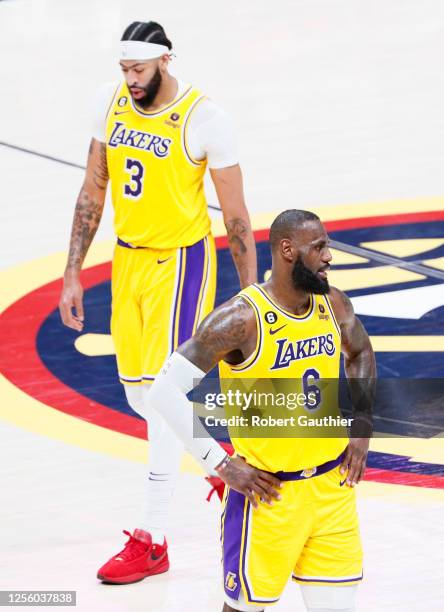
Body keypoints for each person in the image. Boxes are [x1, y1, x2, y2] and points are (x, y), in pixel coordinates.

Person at [58, 20, 257, 584]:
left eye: (138, 69)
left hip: (181, 262)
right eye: (123, 70)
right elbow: (94, 186)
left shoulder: (205, 118)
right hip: (129, 259)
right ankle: (214, 462)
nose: (130, 79)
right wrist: (73, 268)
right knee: (140, 395)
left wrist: (251, 299)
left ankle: (156, 535)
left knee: (164, 391)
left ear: (165, 61)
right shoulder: (111, 102)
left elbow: (237, 215)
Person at [149, 209, 376, 612]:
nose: (329, 257)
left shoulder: (333, 304)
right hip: (268, 498)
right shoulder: (240, 319)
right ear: (287, 250)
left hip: (331, 490)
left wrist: (361, 424)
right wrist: (220, 464)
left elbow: (359, 351)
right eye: (319, 247)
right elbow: (165, 391)